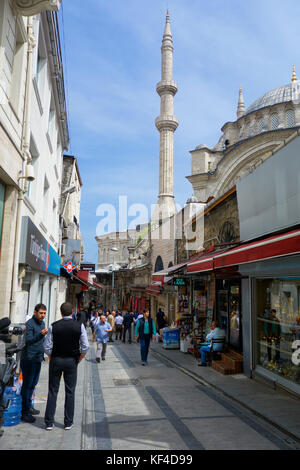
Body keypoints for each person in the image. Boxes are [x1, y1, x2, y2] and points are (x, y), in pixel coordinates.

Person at [43, 302, 89, 431]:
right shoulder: (79, 326)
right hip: (71, 361)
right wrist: (79, 359)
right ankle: (68, 422)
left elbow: (46, 347)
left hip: (56, 360)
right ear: (72, 312)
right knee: (70, 391)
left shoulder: (54, 326)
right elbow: (85, 346)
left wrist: (52, 357)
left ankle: (49, 422)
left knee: (53, 390)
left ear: (61, 312)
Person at [20, 304, 48, 423]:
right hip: (29, 359)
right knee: (27, 385)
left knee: (33, 384)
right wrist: (41, 334)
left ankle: (29, 406)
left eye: (44, 313)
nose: (43, 316)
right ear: (35, 312)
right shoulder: (30, 324)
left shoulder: (42, 323)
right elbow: (28, 341)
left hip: (37, 358)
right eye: (41, 313)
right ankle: (24, 412)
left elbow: (42, 341)